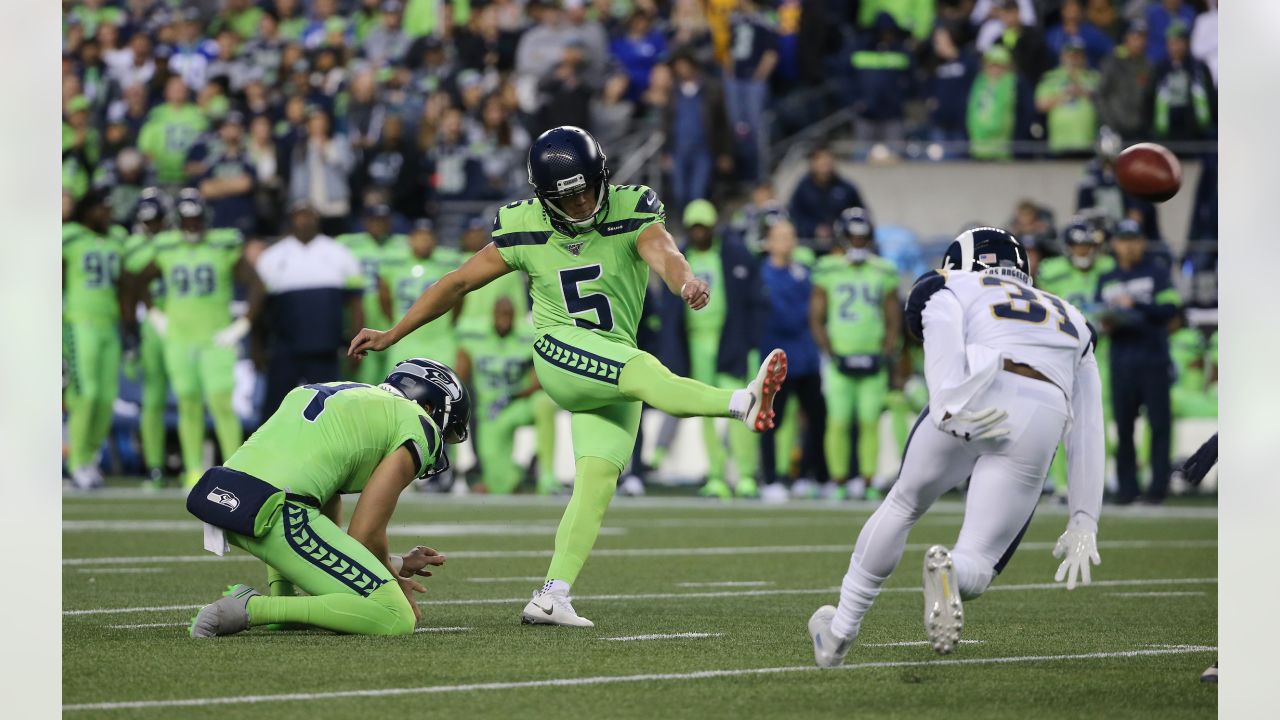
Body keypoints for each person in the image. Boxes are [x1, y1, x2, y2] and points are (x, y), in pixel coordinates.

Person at [348, 126, 787, 627]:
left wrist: (685, 282)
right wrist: (394, 332)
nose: (579, 204)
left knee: (597, 483)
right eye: (566, 196)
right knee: (643, 370)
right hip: (560, 351)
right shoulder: (523, 225)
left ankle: (552, 595)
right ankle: (741, 402)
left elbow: (663, 250)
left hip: (611, 364)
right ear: (542, 197)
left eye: (585, 190)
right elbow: (457, 282)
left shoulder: (632, 206)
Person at [808, 227, 1105, 667]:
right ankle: (949, 569)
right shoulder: (1073, 317)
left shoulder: (955, 282)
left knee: (903, 504)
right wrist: (1084, 519)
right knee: (978, 563)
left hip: (973, 388)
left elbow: (936, 314)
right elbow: (1089, 425)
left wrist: (947, 399)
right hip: (1042, 410)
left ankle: (839, 631)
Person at [187, 358, 466, 638]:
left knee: (333, 577)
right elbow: (364, 533)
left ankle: (283, 597)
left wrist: (398, 563)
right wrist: (392, 581)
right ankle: (252, 608)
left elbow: (328, 524)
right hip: (277, 511)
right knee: (395, 615)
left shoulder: (346, 396)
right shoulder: (418, 425)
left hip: (225, 496)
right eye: (447, 428)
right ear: (430, 407)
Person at [127, 189, 264, 488]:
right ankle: (192, 470)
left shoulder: (222, 245)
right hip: (179, 338)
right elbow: (138, 280)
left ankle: (235, 469)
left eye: (196, 218)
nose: (192, 225)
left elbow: (256, 283)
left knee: (221, 403)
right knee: (188, 403)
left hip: (216, 338)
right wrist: (154, 313)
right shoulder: (167, 247)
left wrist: (243, 323)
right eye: (187, 219)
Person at [664, 199, 764, 500]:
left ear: (712, 228)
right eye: (694, 227)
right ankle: (717, 475)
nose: (698, 233)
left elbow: (754, 302)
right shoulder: (681, 258)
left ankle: (745, 475)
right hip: (696, 343)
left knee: (741, 406)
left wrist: (749, 341)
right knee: (705, 410)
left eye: (703, 227)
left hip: (729, 342)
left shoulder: (734, 254)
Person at [810, 207, 901, 500]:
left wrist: (886, 352)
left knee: (868, 421)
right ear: (843, 237)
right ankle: (838, 481)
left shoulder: (883, 270)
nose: (858, 243)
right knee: (838, 421)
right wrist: (829, 351)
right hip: (840, 357)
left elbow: (892, 317)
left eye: (863, 237)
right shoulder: (828, 268)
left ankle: (868, 481)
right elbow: (816, 316)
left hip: (872, 355)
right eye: (853, 237)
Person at [255, 201, 366, 417]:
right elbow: (258, 309)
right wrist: (257, 347)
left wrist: (356, 342)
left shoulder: (340, 253)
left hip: (325, 349)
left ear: (318, 219)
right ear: (291, 219)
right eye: (300, 215)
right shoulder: (271, 257)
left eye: (310, 215)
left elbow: (356, 304)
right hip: (284, 350)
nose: (305, 220)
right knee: (276, 413)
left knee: (329, 412)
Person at [1095, 219, 1179, 504]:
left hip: (1153, 359)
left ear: (1142, 242)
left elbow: (1170, 308)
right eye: (1122, 239)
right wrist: (1107, 321)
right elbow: (1097, 313)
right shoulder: (1106, 279)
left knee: (1159, 425)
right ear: (1114, 244)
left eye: (1133, 239)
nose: (1128, 245)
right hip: (1121, 361)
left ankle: (1158, 488)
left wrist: (1135, 305)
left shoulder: (1157, 273)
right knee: (1124, 427)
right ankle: (1127, 489)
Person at [1036, 218, 1114, 500]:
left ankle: (1096, 482)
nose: (1082, 251)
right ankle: (1061, 484)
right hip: (1061, 353)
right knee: (1059, 419)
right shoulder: (1052, 271)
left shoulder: (1108, 270)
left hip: (1100, 353)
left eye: (1087, 245)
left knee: (1096, 421)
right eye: (1077, 246)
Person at [757, 218, 827, 502]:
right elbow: (785, 316)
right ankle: (770, 478)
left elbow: (816, 311)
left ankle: (808, 475)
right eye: (781, 236)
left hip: (806, 356)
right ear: (769, 241)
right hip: (777, 358)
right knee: (772, 420)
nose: (788, 240)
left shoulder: (803, 272)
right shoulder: (762, 275)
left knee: (817, 416)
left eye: (791, 235)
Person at [63, 189, 129, 490]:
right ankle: (75, 462)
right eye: (102, 207)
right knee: (85, 395)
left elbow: (126, 281)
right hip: (79, 323)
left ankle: (89, 458)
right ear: (88, 211)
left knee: (104, 398)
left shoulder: (117, 238)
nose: (108, 213)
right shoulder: (70, 236)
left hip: (108, 324)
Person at [458, 297, 558, 495]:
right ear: (492, 315)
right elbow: (461, 372)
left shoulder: (527, 336)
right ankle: (526, 474)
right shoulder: (473, 335)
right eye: (500, 315)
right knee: (500, 483)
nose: (504, 320)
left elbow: (538, 381)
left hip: (516, 404)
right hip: (490, 412)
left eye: (508, 315)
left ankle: (547, 476)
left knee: (544, 403)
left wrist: (512, 396)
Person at [121, 189, 173, 486]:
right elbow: (127, 292)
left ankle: (195, 466)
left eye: (156, 220)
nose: (151, 226)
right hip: (150, 325)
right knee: (152, 399)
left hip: (180, 323)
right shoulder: (133, 246)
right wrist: (130, 338)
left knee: (192, 398)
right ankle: (154, 464)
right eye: (147, 221)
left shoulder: (174, 241)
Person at [337, 205, 409, 386]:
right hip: (361, 314)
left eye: (383, 221)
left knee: (391, 379)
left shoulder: (404, 244)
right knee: (360, 379)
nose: (379, 225)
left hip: (392, 315)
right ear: (366, 222)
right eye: (374, 220)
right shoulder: (346, 243)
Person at [379, 219, 462, 366]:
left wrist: (447, 323)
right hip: (405, 340)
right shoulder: (396, 264)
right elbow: (385, 299)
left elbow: (459, 297)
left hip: (439, 339)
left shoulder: (447, 264)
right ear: (411, 239)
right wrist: (397, 323)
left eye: (429, 236)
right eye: (420, 236)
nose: (425, 241)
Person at [788, 147, 866, 245]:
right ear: (812, 163)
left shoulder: (847, 188)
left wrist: (839, 228)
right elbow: (794, 216)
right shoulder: (802, 188)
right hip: (809, 243)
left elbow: (860, 215)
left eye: (827, 158)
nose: (824, 163)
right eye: (819, 159)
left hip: (841, 245)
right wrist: (814, 229)